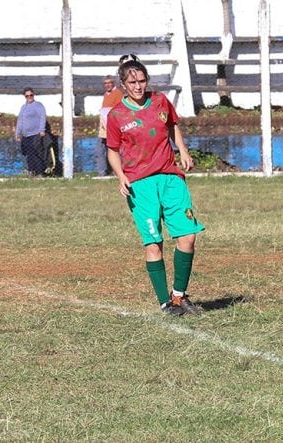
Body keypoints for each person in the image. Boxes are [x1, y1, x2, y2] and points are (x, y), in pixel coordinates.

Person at [106, 56, 205, 316]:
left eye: (142, 80)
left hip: (171, 178)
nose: (138, 86)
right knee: (154, 244)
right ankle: (165, 303)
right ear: (123, 85)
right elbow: (112, 150)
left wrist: (182, 151)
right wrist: (120, 176)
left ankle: (179, 296)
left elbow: (172, 126)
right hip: (140, 184)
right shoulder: (117, 115)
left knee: (188, 237)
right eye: (132, 82)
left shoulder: (160, 100)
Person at [14, 87, 47, 176]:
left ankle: (40, 172)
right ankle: (31, 171)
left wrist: (42, 130)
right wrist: (17, 133)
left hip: (35, 134)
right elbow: (20, 120)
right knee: (29, 154)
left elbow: (42, 117)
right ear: (24, 96)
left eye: (31, 95)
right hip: (25, 135)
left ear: (33, 95)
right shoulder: (23, 107)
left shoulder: (38, 105)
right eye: (27, 96)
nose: (29, 97)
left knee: (37, 154)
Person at [97, 75, 123, 176]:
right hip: (103, 125)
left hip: (112, 125)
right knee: (100, 149)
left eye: (109, 83)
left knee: (115, 149)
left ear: (113, 83)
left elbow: (117, 111)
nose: (107, 85)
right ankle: (102, 171)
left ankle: (117, 171)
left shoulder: (118, 94)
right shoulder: (106, 94)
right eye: (105, 83)